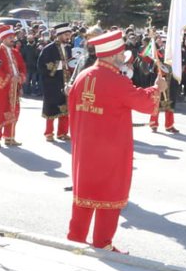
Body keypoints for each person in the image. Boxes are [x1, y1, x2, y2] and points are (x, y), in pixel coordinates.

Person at [67, 29, 163, 253]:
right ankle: (103, 242)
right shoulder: (115, 81)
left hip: (84, 148)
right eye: (121, 53)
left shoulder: (83, 76)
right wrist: (158, 89)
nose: (124, 56)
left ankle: (74, 239)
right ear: (111, 55)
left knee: (84, 195)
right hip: (110, 150)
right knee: (109, 195)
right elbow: (143, 102)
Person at [0, 26, 26, 148]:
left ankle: (9, 137)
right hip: (1, 88)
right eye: (10, 37)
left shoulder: (16, 52)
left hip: (14, 87)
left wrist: (20, 77)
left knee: (13, 111)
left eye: (13, 37)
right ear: (3, 38)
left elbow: (22, 67)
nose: (13, 40)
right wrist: (10, 77)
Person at [38, 23, 73, 141]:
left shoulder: (68, 48)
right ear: (59, 35)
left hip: (65, 82)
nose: (68, 37)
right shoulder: (48, 49)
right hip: (52, 83)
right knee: (51, 108)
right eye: (66, 35)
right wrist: (59, 65)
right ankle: (49, 133)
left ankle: (62, 133)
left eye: (69, 35)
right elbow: (42, 65)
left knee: (65, 108)